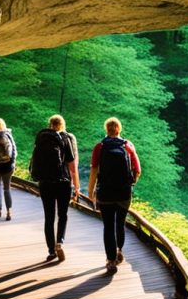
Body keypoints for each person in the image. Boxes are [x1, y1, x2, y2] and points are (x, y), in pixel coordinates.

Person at [88, 117, 140, 273]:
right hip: (124, 192)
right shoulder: (127, 146)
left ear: (107, 129)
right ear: (119, 129)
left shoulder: (100, 147)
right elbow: (137, 170)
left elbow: (94, 171)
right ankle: (119, 250)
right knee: (120, 223)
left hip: (105, 193)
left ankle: (110, 260)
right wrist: (131, 183)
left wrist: (91, 192)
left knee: (108, 226)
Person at [30, 115, 79, 262]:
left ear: (50, 125)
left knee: (49, 217)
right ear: (63, 125)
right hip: (63, 182)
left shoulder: (41, 137)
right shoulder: (65, 138)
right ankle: (59, 243)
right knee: (62, 215)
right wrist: (76, 186)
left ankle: (51, 250)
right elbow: (72, 166)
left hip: (45, 182)